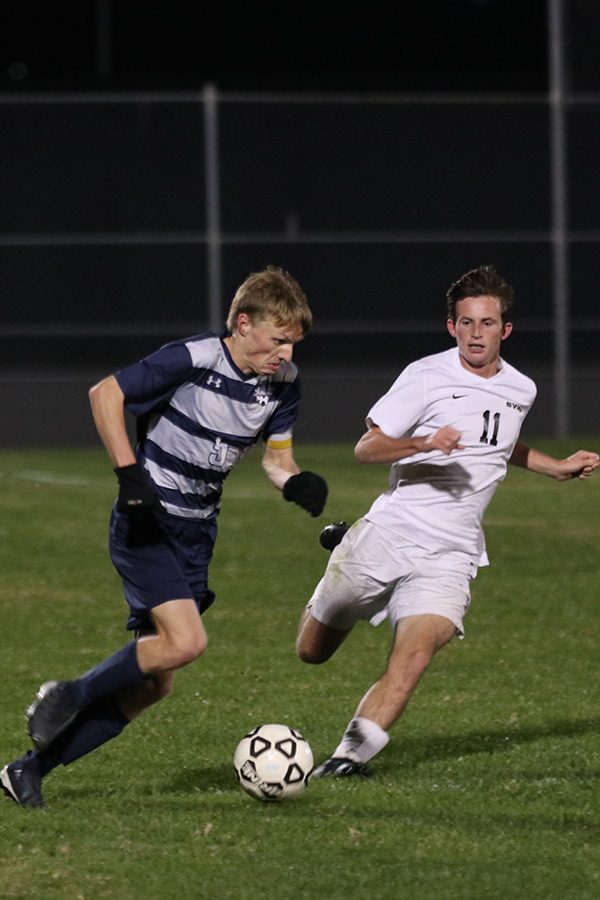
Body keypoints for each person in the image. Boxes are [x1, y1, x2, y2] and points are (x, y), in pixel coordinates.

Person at [1, 265, 328, 808]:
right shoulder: (193, 358)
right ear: (244, 324)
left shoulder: (284, 385)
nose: (287, 354)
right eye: (279, 340)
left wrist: (296, 483)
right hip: (147, 521)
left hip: (198, 535)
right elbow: (105, 393)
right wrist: (129, 475)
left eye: (294, 344)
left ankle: (27, 771)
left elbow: (278, 460)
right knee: (187, 642)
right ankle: (68, 694)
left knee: (155, 683)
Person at [296, 264, 599, 778]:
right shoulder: (425, 375)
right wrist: (423, 441)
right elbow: (366, 448)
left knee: (415, 654)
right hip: (392, 532)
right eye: (466, 322)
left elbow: (500, 443)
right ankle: (349, 543)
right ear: (451, 327)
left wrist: (555, 468)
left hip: (452, 552)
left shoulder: (521, 388)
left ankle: (348, 759)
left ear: (505, 330)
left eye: (486, 323)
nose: (475, 333)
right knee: (311, 651)